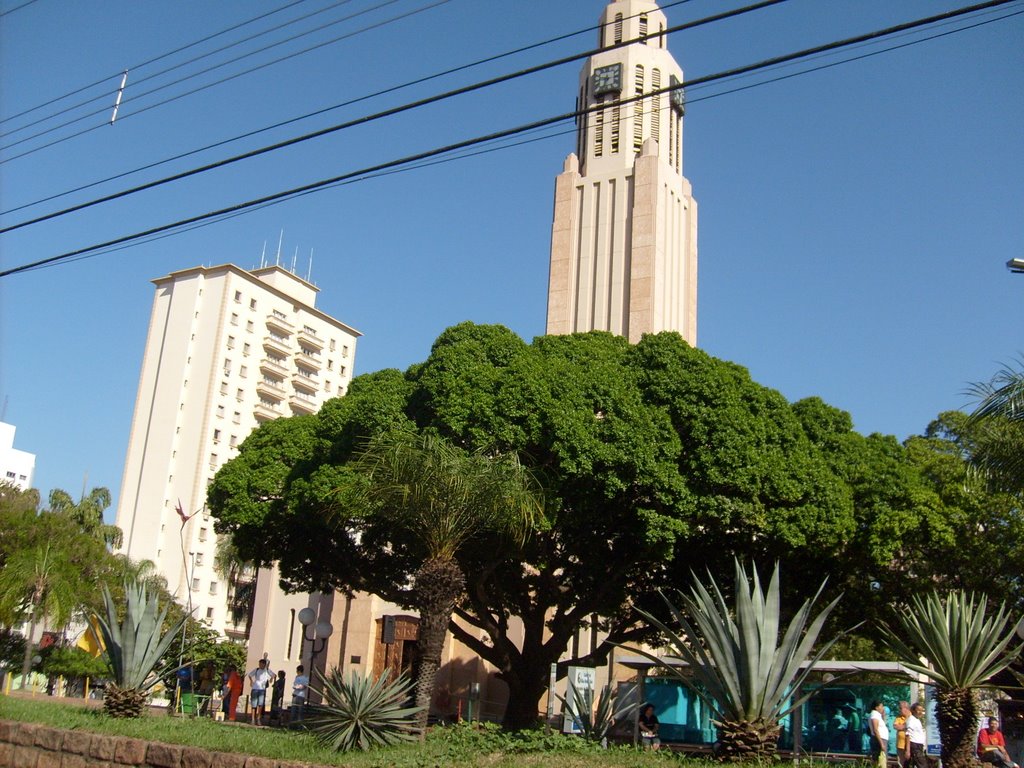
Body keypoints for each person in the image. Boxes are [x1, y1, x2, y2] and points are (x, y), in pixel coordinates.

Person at [247, 658, 274, 726]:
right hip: (255, 688)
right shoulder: (256, 670)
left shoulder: (266, 670)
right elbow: (249, 675)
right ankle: (253, 719)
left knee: (260, 704)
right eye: (259, 664)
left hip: (262, 689)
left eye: (261, 664)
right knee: (254, 704)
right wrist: (251, 681)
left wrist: (271, 679)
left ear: (264, 665)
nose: (260, 665)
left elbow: (273, 675)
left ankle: (258, 718)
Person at [905, 702, 928, 768]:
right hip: (914, 746)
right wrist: (908, 750)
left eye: (922, 710)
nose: (920, 712)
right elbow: (908, 735)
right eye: (918, 710)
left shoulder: (917, 720)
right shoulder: (911, 720)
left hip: (919, 746)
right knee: (923, 765)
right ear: (913, 710)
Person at [869, 700, 889, 768]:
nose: (883, 708)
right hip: (879, 739)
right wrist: (881, 744)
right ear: (876, 707)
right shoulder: (874, 714)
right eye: (881, 706)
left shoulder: (878, 715)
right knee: (880, 760)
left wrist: (883, 715)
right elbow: (875, 729)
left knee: (881, 760)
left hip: (881, 738)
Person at [893, 701, 911, 767]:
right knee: (901, 763)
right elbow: (895, 726)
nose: (899, 710)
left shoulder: (911, 717)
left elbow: (911, 727)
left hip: (910, 744)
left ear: (906, 708)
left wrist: (902, 726)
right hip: (900, 745)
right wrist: (905, 726)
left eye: (901, 708)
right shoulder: (898, 718)